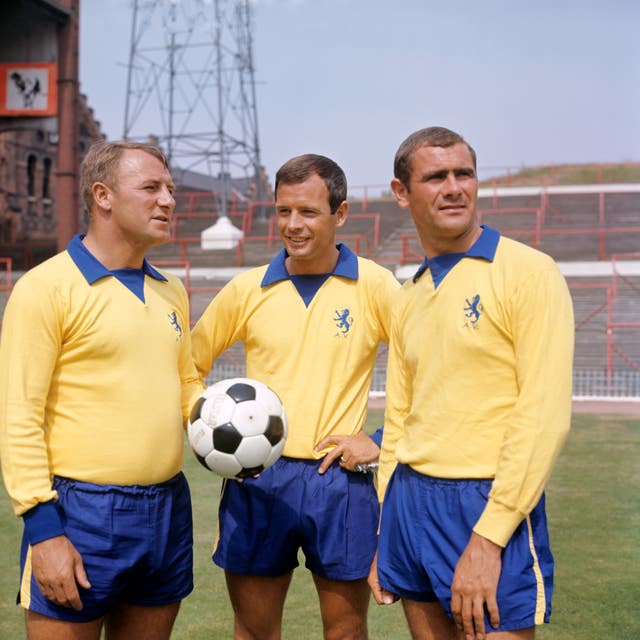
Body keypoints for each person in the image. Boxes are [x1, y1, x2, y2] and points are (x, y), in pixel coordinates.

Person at [368, 127, 574, 640]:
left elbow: (544, 415)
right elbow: (399, 420)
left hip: (484, 503)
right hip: (409, 502)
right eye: (436, 177)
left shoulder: (529, 272)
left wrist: (489, 537)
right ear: (401, 193)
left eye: (464, 174)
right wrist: (384, 527)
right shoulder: (408, 296)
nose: (454, 187)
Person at [0, 140, 204, 640]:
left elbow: (186, 383)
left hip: (167, 507)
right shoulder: (45, 288)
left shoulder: (170, 289)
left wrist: (226, 420)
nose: (168, 200)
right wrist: (44, 530)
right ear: (103, 196)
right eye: (151, 188)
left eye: (171, 189)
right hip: (79, 511)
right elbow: (18, 414)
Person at [191, 153, 399, 640]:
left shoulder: (374, 284)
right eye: (283, 211)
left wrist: (382, 438)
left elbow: (430, 364)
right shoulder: (247, 289)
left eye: (308, 212)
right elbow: (188, 363)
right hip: (258, 477)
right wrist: (205, 426)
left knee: (346, 632)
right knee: (254, 630)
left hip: (339, 481)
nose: (293, 224)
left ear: (340, 214)